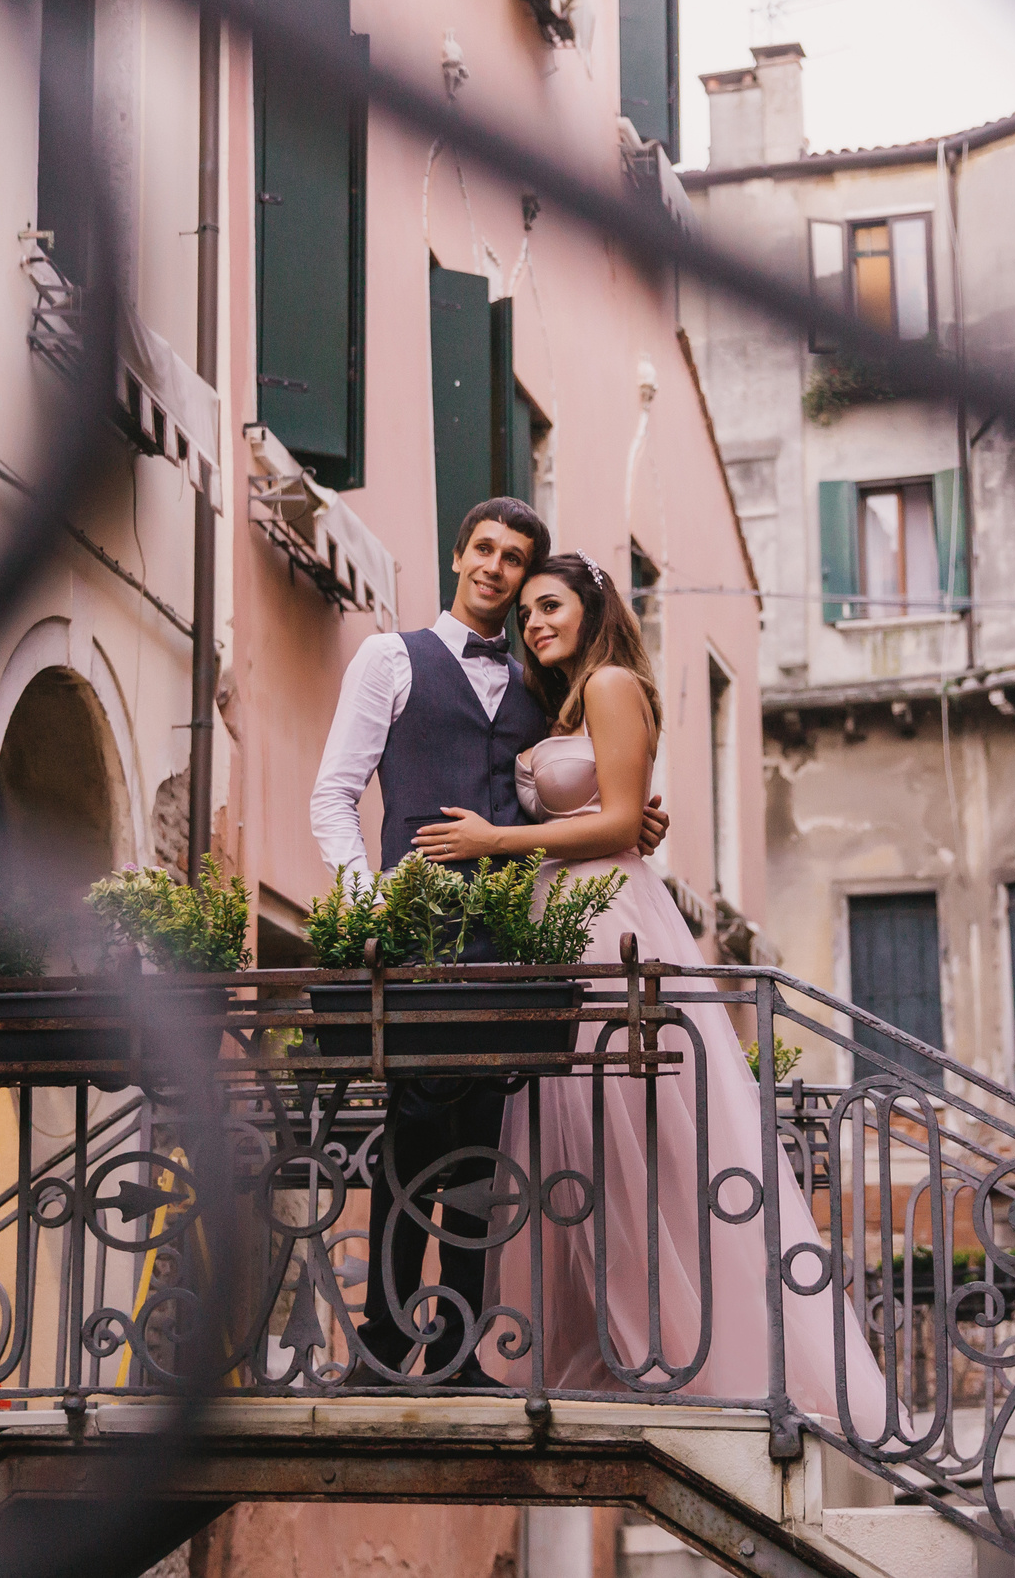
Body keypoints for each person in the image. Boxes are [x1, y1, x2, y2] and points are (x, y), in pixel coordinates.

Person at [414, 553, 891, 1431]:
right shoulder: (561, 699)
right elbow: (610, 808)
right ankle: (610, 1340)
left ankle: (686, 1347)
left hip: (610, 918)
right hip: (561, 916)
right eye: (525, 614)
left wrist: (492, 840)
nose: (534, 624)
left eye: (549, 605)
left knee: (643, 1130)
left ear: (592, 606)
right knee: (589, 1140)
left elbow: (624, 821)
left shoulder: (610, 683)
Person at [310, 500, 668, 1386]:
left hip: (513, 946)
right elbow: (333, 797)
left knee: (483, 1143)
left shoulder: (540, 685)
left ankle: (462, 1347)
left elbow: (580, 778)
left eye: (516, 559)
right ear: (459, 554)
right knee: (412, 1134)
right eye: (486, 550)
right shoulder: (389, 657)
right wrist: (372, 905)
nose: (498, 569)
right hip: (415, 942)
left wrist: (637, 820)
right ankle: (387, 1343)